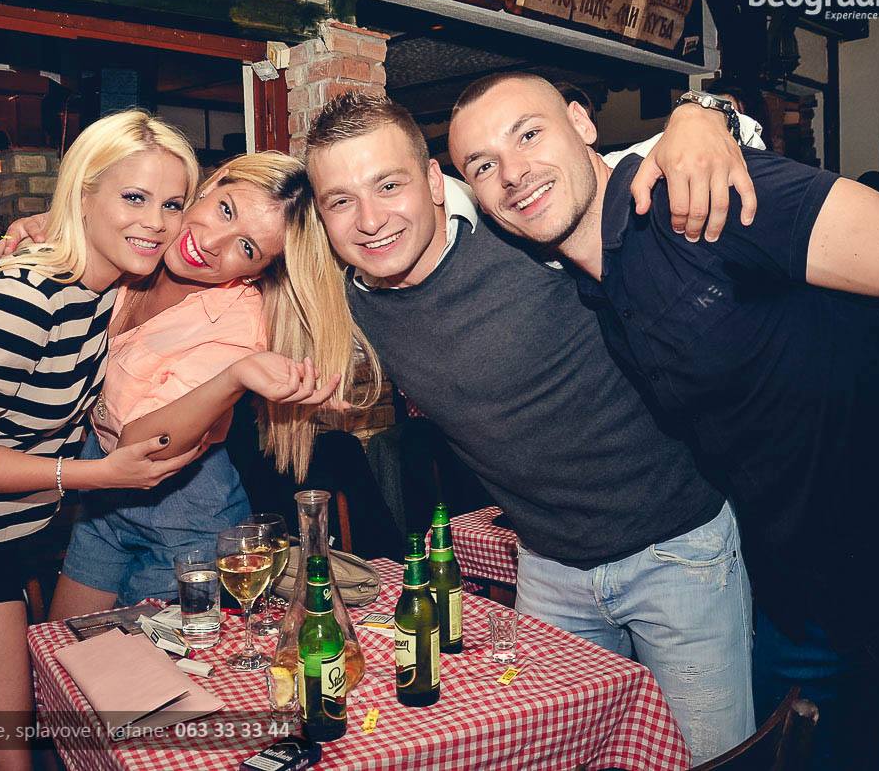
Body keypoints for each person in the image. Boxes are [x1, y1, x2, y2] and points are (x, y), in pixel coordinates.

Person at [446, 73, 879, 771]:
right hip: (806, 608)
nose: (513, 173)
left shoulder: (696, 194)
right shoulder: (592, 285)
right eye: (482, 165)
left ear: (582, 124)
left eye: (529, 133)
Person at [0, 111, 335, 771]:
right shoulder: (26, 298)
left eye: (168, 204)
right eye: (139, 198)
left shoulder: (108, 291)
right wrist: (93, 475)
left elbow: (140, 408)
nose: (167, 225)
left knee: (12, 758)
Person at [305, 88, 761, 761]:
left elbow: (673, 157)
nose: (370, 220)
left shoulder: (528, 226)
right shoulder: (348, 301)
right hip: (548, 568)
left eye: (389, 184)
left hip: (677, 550)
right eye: (340, 200)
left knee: (709, 758)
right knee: (552, 753)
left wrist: (702, 112)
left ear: (434, 179)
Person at [0, 153, 380, 616]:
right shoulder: (144, 242)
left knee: (137, 663)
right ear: (213, 184)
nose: (212, 243)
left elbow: (139, 446)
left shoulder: (238, 323)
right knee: (63, 647)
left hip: (183, 518)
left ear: (255, 272)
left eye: (247, 248)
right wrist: (55, 228)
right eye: (225, 210)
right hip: (99, 491)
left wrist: (234, 378)